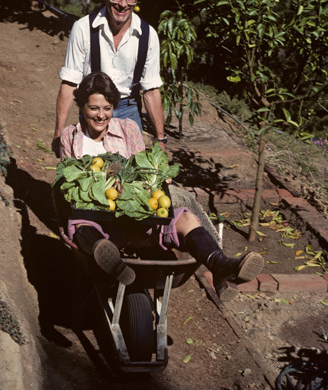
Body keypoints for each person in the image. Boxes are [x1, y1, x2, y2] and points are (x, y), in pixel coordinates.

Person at [58, 72, 264, 301]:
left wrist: (156, 177)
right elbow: (73, 182)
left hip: (137, 216)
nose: (101, 115)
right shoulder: (71, 136)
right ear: (82, 107)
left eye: (107, 108)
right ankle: (112, 264)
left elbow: (141, 170)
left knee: (185, 218)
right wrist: (111, 175)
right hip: (97, 219)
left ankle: (221, 264)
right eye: (93, 108)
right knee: (81, 226)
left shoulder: (127, 129)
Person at [53, 0, 166, 157]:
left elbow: (151, 90)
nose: (123, 4)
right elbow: (70, 82)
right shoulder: (83, 28)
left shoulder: (148, 35)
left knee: (131, 178)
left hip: (128, 110)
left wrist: (161, 138)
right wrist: (58, 132)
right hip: (93, 110)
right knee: (87, 174)